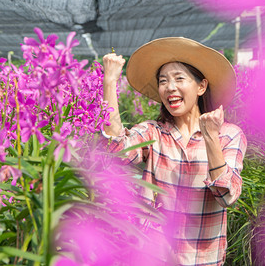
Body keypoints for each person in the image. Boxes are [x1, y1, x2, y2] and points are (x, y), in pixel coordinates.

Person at [102, 37, 247, 266]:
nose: (170, 87)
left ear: (201, 86)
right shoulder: (153, 132)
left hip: (203, 259)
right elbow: (116, 150)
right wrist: (109, 82)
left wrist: (210, 137)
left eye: (179, 79)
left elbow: (226, 195)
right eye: (163, 81)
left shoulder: (228, 135)